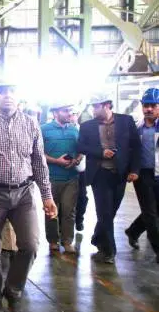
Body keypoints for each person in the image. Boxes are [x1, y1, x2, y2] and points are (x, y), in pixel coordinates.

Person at [0, 78, 57, 312]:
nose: (8, 96)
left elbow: (39, 162)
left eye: (12, 91)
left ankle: (13, 291)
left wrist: (47, 195)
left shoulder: (31, 124)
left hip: (24, 193)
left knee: (30, 245)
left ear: (19, 95)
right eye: (2, 92)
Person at [78, 93, 139, 264]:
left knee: (111, 211)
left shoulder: (126, 121)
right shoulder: (87, 126)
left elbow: (135, 147)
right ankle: (110, 250)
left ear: (106, 105)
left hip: (120, 174)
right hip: (100, 174)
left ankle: (97, 238)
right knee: (104, 212)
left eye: (96, 106)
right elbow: (81, 146)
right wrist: (101, 152)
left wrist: (134, 170)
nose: (93, 110)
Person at [41, 101, 82, 254]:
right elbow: (38, 154)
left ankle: (67, 241)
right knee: (51, 211)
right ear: (55, 113)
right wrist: (56, 161)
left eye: (70, 110)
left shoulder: (74, 130)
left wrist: (76, 160)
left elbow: (81, 150)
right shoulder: (44, 130)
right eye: (65, 111)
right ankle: (53, 241)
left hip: (71, 178)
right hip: (50, 178)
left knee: (69, 211)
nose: (69, 113)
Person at [124, 88, 159, 263]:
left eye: (153, 105)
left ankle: (133, 231)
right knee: (150, 213)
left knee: (154, 211)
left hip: (158, 174)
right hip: (142, 175)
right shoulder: (136, 128)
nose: (149, 109)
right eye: (146, 105)